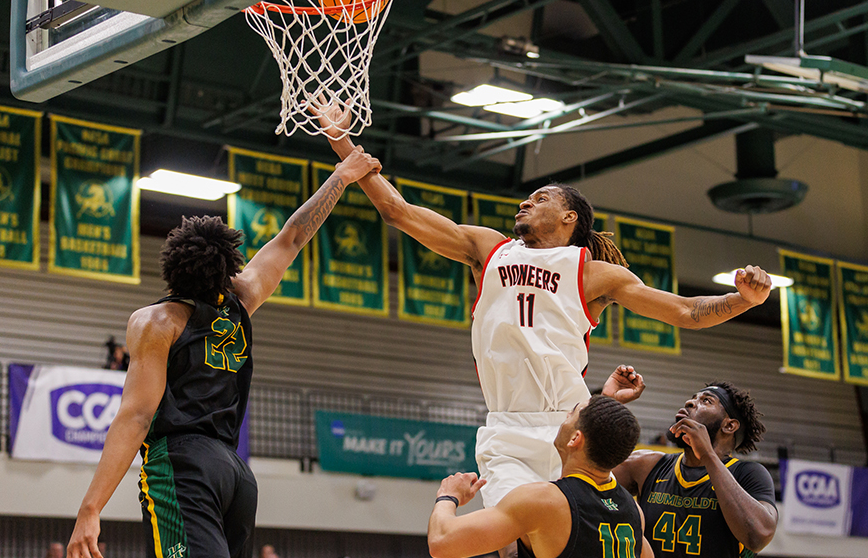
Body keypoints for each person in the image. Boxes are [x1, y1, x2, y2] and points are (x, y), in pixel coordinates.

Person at [316, 102, 773, 514]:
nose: (525, 201)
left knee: (576, 540)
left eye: (541, 199)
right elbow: (399, 212)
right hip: (505, 429)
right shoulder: (487, 248)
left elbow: (685, 312)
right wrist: (342, 142)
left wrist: (743, 300)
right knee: (515, 538)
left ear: (570, 217)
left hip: (573, 427)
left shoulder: (591, 272)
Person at [65, 147, 382, 558]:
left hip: (183, 466)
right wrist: (341, 176)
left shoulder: (156, 322)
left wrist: (91, 508)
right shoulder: (242, 300)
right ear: (226, 269)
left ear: (172, 267)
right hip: (234, 476)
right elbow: (293, 236)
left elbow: (137, 415)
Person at [429, 394, 653, 558]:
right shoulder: (634, 513)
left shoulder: (544, 501)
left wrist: (448, 496)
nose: (564, 417)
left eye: (571, 413)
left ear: (575, 439)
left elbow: (441, 543)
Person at [612, 382, 777, 558]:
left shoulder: (747, 473)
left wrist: (708, 456)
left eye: (706, 401)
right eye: (692, 398)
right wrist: (609, 403)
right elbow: (585, 470)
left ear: (729, 426)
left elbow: (759, 536)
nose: (689, 403)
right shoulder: (647, 464)